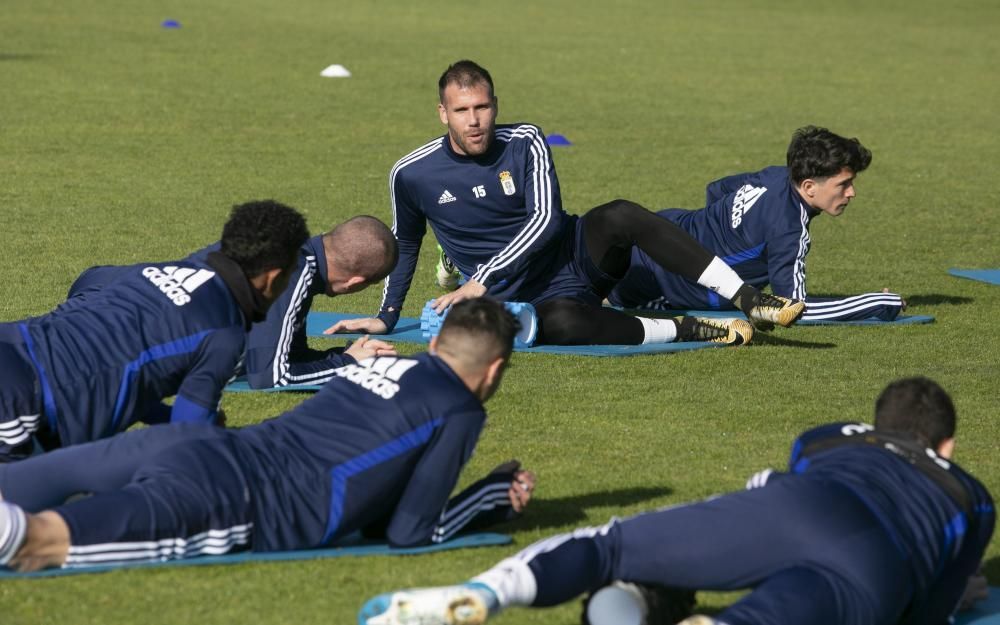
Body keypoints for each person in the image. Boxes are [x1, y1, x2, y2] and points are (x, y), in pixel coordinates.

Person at [359, 377, 995, 625]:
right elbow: (928, 615)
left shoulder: (829, 438)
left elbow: (785, 490)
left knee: (608, 548)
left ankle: (486, 595)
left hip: (797, 506)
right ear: (948, 444)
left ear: (876, 422)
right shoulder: (970, 495)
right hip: (872, 565)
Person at [0, 298, 535, 570]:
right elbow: (409, 532)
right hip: (237, 498)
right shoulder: (460, 409)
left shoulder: (383, 368)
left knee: (17, 485)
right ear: (493, 371)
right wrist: (488, 497)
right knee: (32, 544)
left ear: (438, 343)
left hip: (197, 444)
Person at [327, 60, 805, 347]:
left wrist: (480, 279)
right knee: (560, 323)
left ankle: (749, 300)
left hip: (574, 256)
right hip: (522, 298)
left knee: (620, 214)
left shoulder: (525, 140)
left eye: (483, 107)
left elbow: (545, 221)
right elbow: (406, 243)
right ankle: (692, 330)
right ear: (442, 113)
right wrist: (387, 315)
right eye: (462, 111)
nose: (475, 121)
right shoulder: (411, 173)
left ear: (495, 104)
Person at [0, 200, 309, 462]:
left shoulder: (162, 269)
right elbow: (186, 438)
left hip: (13, 341)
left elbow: (96, 291)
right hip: (27, 398)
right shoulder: (225, 334)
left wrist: (165, 416)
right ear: (273, 277)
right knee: (25, 525)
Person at [607, 126, 906, 322]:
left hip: (656, 227)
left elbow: (717, 189)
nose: (851, 192)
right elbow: (793, 309)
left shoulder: (774, 175)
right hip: (677, 283)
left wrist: (719, 236)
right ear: (810, 186)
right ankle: (665, 302)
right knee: (598, 298)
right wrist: (877, 302)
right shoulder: (790, 228)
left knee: (585, 284)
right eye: (844, 184)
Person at [69, 215, 400, 389]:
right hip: (114, 326)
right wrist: (347, 367)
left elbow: (287, 353)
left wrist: (340, 355)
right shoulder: (293, 273)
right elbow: (272, 377)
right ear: (356, 283)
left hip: (101, 283)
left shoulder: (286, 249)